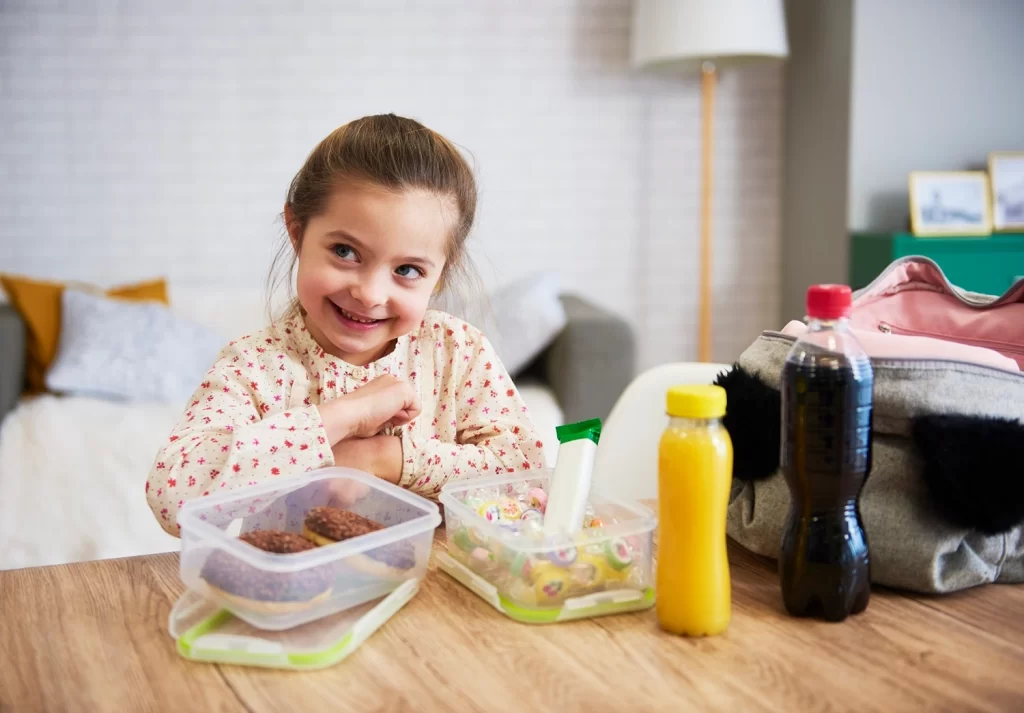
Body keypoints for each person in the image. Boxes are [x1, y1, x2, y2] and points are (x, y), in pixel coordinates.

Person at [146, 114, 544, 536]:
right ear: (297, 232)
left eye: (407, 269)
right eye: (345, 251)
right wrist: (337, 418)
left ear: (442, 273)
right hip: (302, 595)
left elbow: (527, 480)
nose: (370, 294)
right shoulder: (255, 367)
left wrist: (386, 458)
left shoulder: (458, 351)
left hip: (438, 591)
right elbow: (174, 501)